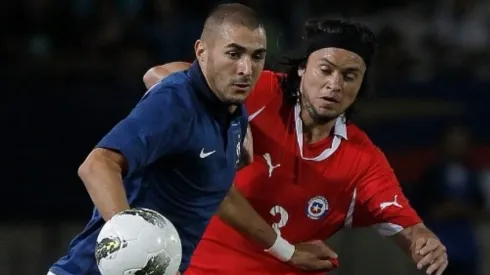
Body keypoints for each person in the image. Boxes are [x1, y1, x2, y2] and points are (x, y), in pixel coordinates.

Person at [145, 19, 449, 275]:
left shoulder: (364, 160)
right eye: (325, 70)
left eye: (349, 76)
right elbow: (156, 75)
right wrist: (226, 120)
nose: (335, 85)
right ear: (303, 69)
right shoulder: (259, 92)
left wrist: (425, 240)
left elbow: (408, 228)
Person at [48, 3, 272, 275]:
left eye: (257, 56)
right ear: (201, 52)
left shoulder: (232, 109)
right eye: (234, 53)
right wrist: (133, 249)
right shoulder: (175, 104)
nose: (246, 69)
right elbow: (97, 165)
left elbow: (217, 192)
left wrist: (286, 250)